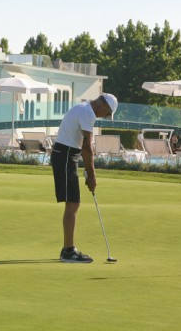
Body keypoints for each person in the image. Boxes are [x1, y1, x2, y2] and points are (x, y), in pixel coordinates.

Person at [50, 93, 118, 263]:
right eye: (108, 113)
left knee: (73, 202)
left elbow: (82, 146)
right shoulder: (88, 112)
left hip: (68, 155)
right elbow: (87, 147)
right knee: (72, 202)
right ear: (104, 105)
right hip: (65, 155)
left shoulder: (84, 108)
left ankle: (68, 249)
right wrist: (92, 174)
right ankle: (68, 251)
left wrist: (87, 169)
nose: (106, 116)